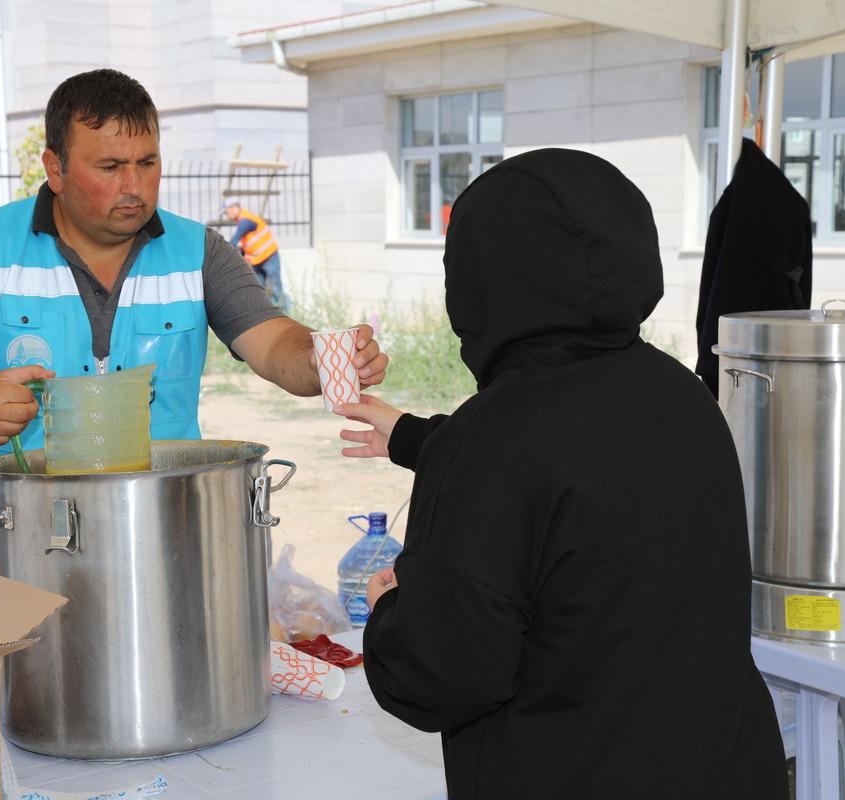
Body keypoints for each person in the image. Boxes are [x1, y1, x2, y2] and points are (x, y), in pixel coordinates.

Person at [333, 149, 787, 799]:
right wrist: (419, 440)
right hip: (720, 767)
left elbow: (442, 676)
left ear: (478, 278)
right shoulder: (679, 393)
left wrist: (391, 612)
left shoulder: (492, 438)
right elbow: (584, 481)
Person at [0, 69, 388, 597]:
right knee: (1, 685)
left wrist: (321, 360)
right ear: (55, 168)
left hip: (165, 543)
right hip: (8, 551)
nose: (134, 186)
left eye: (147, 163)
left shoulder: (197, 250)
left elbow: (274, 342)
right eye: (110, 166)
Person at [223, 198, 287, 309]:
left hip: (269, 257)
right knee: (259, 291)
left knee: (276, 288)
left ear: (233, 207)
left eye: (226, 211)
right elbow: (247, 243)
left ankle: (284, 317)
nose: (226, 215)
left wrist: (223, 253)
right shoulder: (241, 220)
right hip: (257, 261)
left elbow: (234, 241)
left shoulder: (245, 220)